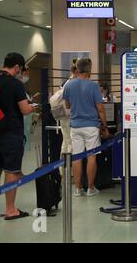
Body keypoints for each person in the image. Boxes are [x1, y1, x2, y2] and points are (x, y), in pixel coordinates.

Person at [0, 52, 36, 220]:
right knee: (11, 171)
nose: (20, 72)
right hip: (11, 134)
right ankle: (10, 209)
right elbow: (24, 110)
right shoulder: (16, 84)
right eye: (20, 69)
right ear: (16, 67)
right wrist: (32, 107)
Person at [63, 58, 110, 197]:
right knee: (91, 157)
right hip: (91, 127)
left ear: (77, 69)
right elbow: (100, 109)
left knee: (77, 157)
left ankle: (77, 189)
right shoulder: (94, 86)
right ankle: (90, 188)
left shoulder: (69, 85)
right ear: (89, 69)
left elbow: (67, 105)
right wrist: (105, 127)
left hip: (75, 126)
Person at [60, 60, 78, 158]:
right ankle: (70, 169)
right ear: (75, 72)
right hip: (70, 116)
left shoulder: (65, 83)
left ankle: (62, 169)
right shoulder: (73, 84)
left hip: (63, 116)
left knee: (65, 141)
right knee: (71, 142)